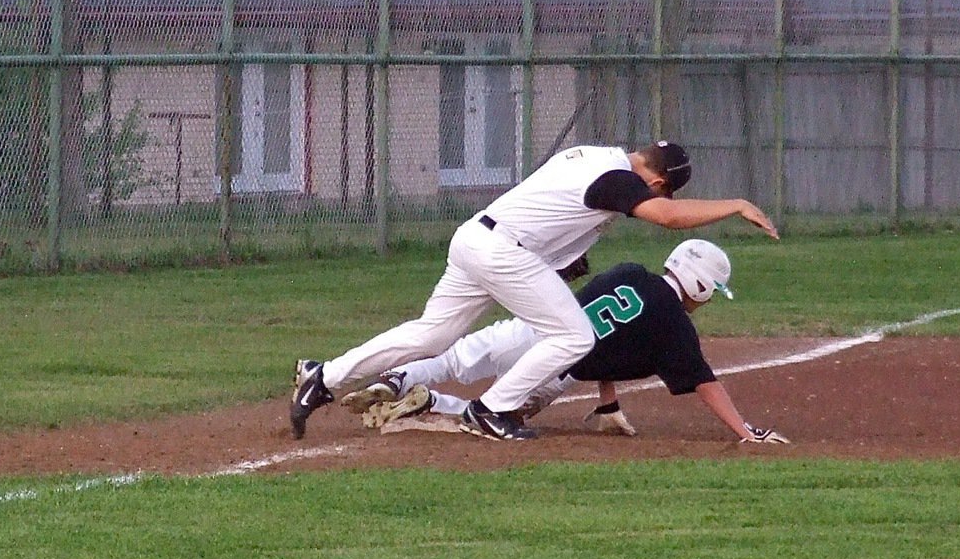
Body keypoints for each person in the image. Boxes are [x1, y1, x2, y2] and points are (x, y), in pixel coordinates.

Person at [290, 142, 779, 441]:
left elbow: (556, 218)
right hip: (503, 249)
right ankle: (491, 410)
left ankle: (324, 376)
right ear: (653, 180)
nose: (655, 199)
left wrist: (560, 261)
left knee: (430, 337)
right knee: (574, 336)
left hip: (478, 239)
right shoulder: (616, 179)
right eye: (658, 192)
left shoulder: (594, 156)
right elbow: (669, 219)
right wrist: (736, 204)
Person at [342, 239, 788, 444]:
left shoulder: (630, 271)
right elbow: (705, 382)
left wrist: (609, 404)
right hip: (558, 367)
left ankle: (401, 379)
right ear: (702, 286)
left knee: (457, 357)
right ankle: (435, 405)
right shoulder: (674, 325)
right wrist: (746, 432)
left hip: (536, 326)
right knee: (503, 411)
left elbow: (607, 326)